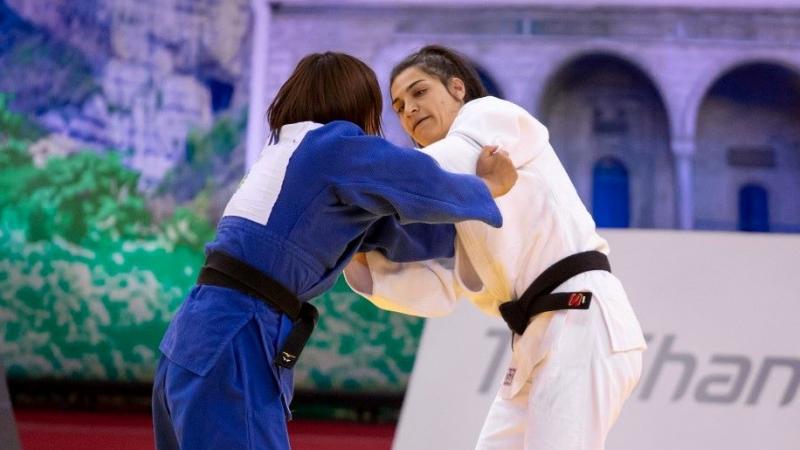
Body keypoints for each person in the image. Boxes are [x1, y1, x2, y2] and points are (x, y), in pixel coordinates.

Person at [151, 51, 518, 450]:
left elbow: (391, 230)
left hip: (192, 339)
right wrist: (488, 187)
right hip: (236, 338)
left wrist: (469, 233)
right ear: (358, 104)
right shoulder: (334, 146)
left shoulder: (284, 155)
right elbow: (421, 183)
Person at [344, 45, 647, 450]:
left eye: (419, 92)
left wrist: (347, 196)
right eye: (398, 107)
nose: (409, 110)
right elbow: (441, 286)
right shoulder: (457, 194)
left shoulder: (489, 117)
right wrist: (352, 249)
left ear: (457, 88)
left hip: (580, 317)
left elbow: (437, 169)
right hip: (537, 335)